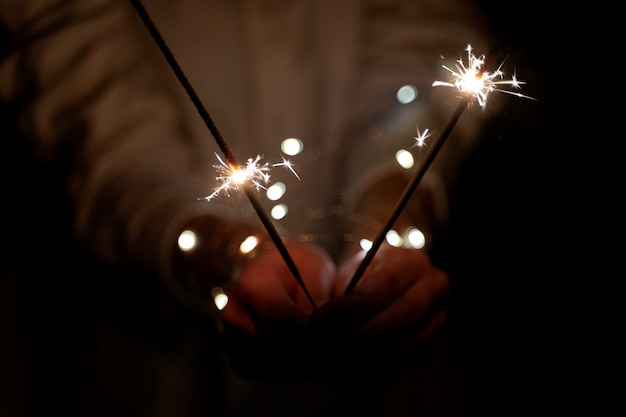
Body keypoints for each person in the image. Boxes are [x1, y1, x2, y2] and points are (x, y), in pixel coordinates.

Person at [0, 0, 501, 416]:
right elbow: (85, 96)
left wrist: (393, 214)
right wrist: (219, 253)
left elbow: (424, 39)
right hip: (152, 358)